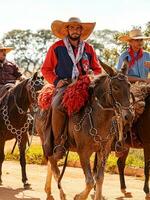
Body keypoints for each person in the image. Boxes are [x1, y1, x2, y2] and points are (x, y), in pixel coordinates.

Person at [41, 17, 102, 160]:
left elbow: (97, 69)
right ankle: (59, 143)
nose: (75, 31)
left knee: (106, 101)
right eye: (72, 28)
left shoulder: (88, 48)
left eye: (78, 28)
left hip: (86, 84)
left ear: (81, 31)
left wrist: (93, 75)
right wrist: (56, 81)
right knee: (57, 106)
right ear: (67, 30)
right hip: (65, 85)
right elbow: (46, 69)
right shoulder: (56, 47)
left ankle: (107, 140)